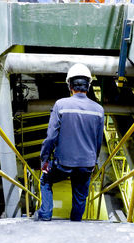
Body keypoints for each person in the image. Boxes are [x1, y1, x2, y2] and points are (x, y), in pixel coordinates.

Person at [35, 63, 105, 222]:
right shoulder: (98, 110)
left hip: (63, 163)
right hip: (86, 162)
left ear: (70, 85)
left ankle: (45, 215)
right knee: (80, 195)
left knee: (45, 180)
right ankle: (76, 222)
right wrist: (93, 161)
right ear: (88, 85)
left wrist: (45, 159)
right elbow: (98, 141)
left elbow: (51, 136)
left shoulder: (61, 105)